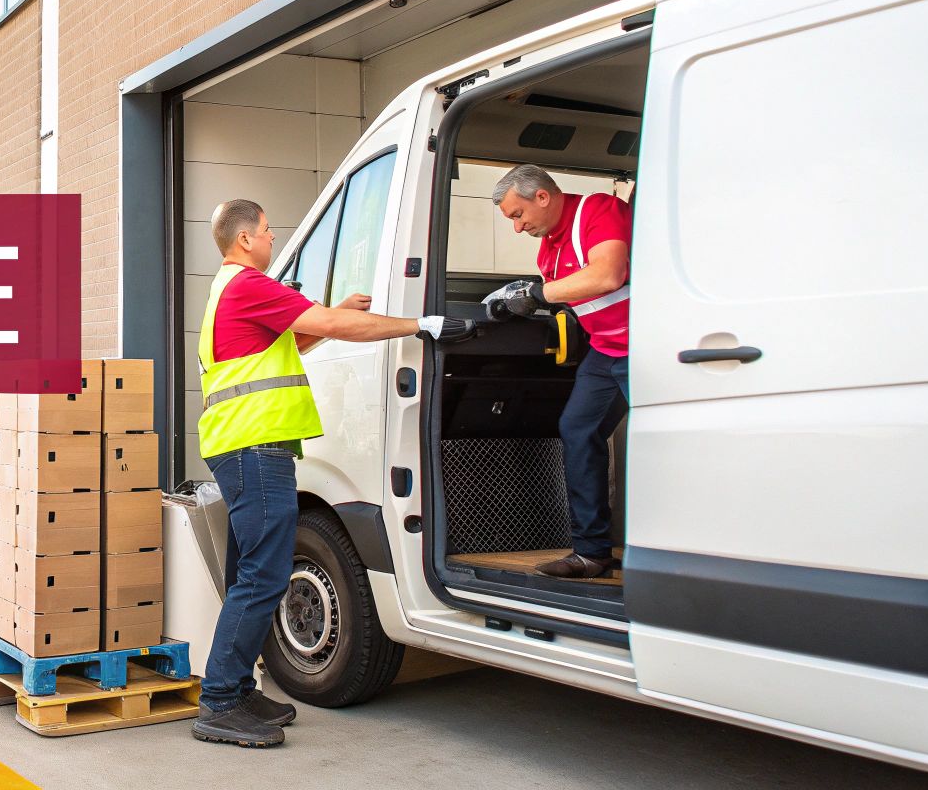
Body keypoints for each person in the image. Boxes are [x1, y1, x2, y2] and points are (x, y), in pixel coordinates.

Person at [192, 198, 470, 749]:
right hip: (254, 447)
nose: (273, 239)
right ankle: (220, 701)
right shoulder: (250, 284)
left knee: (252, 572)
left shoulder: (229, 290)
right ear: (245, 239)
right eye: (269, 231)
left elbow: (296, 341)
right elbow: (332, 325)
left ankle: (235, 690)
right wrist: (422, 325)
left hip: (243, 446)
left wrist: (335, 316)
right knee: (263, 577)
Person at [484, 164, 631, 579]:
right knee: (577, 430)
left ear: (543, 196)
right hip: (605, 354)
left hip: (645, 347)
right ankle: (591, 553)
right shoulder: (548, 247)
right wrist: (511, 301)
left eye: (518, 215)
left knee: (660, 442)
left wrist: (536, 293)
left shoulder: (597, 211)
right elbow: (569, 296)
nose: (517, 227)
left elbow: (607, 274)